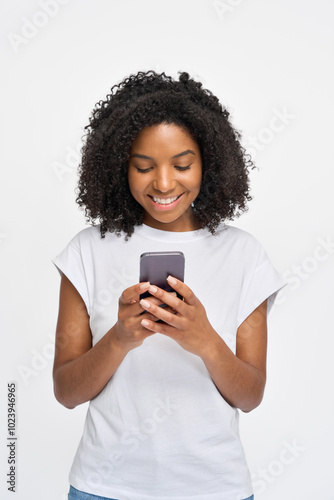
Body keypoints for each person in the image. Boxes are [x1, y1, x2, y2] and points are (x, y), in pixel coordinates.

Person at [52, 70, 286, 500]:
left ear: (208, 161)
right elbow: (66, 391)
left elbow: (250, 395)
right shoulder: (87, 251)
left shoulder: (244, 255)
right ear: (119, 164)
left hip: (215, 489)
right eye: (144, 166)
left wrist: (205, 341)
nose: (163, 183)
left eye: (182, 165)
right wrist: (120, 339)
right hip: (104, 488)